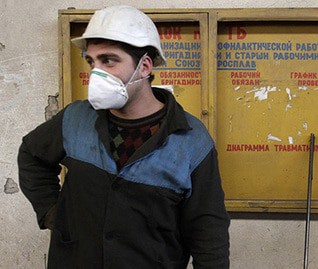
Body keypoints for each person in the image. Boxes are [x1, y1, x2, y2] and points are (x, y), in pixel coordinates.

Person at [18, 5, 230, 269]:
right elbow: (30, 154)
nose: (96, 73)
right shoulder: (75, 118)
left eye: (108, 60)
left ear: (144, 66)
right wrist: (53, 213)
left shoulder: (191, 139)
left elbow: (208, 231)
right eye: (91, 62)